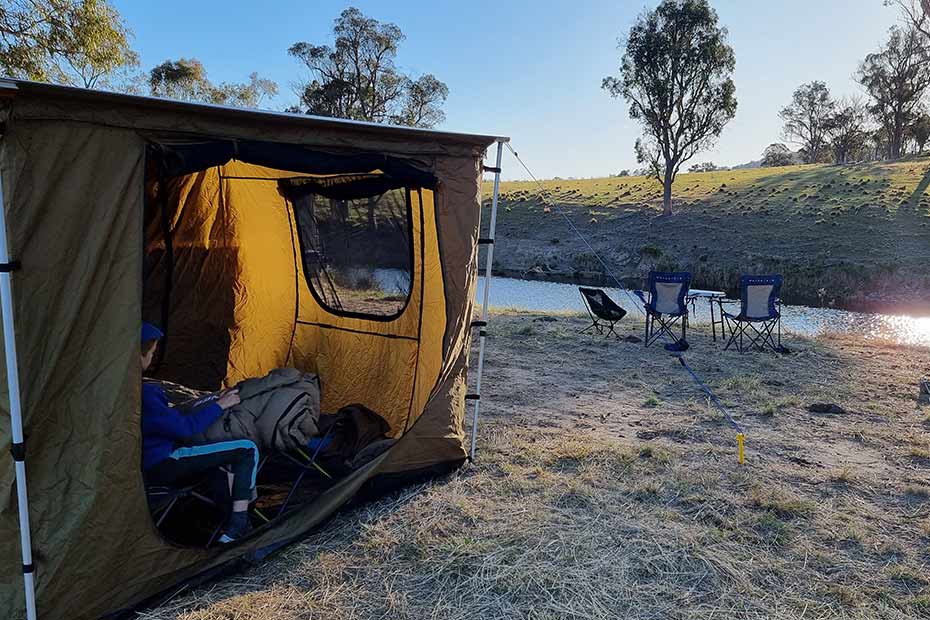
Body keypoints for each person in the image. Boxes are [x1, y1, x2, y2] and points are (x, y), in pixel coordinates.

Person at [140, 322, 257, 544]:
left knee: (216, 466)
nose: (153, 358)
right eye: (152, 353)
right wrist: (220, 405)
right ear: (139, 356)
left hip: (145, 464)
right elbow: (185, 429)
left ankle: (233, 522)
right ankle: (238, 526)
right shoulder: (147, 394)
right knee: (246, 448)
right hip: (164, 463)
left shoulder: (123, 388)